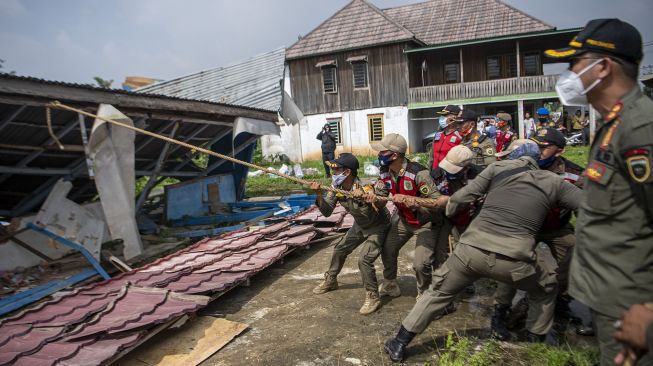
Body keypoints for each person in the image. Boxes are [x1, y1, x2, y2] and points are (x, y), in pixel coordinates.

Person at [383, 139, 581, 362]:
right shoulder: (554, 182)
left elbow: (461, 198)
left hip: (471, 251)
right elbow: (588, 207)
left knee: (438, 292)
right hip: (515, 260)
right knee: (545, 288)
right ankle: (535, 340)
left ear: (513, 157)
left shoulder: (496, 169)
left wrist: (449, 208)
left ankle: (399, 342)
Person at [545, 18, 653, 366]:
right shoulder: (613, 124)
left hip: (634, 303)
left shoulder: (640, 129)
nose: (570, 74)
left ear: (602, 66)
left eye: (575, 64)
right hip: (612, 298)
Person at [491, 128, 584, 341]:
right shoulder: (523, 166)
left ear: (559, 151)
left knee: (573, 250)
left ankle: (559, 301)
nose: (538, 152)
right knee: (511, 263)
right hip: (525, 228)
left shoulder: (574, 174)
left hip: (557, 228)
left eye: (544, 148)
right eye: (536, 146)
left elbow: (584, 208)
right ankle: (501, 309)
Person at [310, 153, 391, 315]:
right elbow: (326, 212)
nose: (333, 174)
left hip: (378, 227)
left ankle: (372, 295)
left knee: (364, 259)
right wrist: (319, 194)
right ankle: (331, 280)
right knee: (340, 249)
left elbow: (382, 203)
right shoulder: (337, 188)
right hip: (360, 225)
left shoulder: (368, 185)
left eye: (336, 170)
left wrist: (369, 197)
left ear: (347, 172)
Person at [369, 133, 448, 299]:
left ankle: (424, 293)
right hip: (404, 220)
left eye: (382, 152)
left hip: (426, 222)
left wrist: (415, 200)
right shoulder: (384, 172)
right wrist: (372, 197)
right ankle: (390, 284)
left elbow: (438, 202)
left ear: (394, 155)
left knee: (420, 265)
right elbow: (381, 201)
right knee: (388, 248)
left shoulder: (419, 173)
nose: (379, 155)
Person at [428, 105, 462, 170]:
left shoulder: (460, 136)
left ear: (455, 117)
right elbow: (431, 157)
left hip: (449, 175)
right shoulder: (438, 134)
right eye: (442, 115)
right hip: (434, 175)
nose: (442, 118)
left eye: (445, 115)